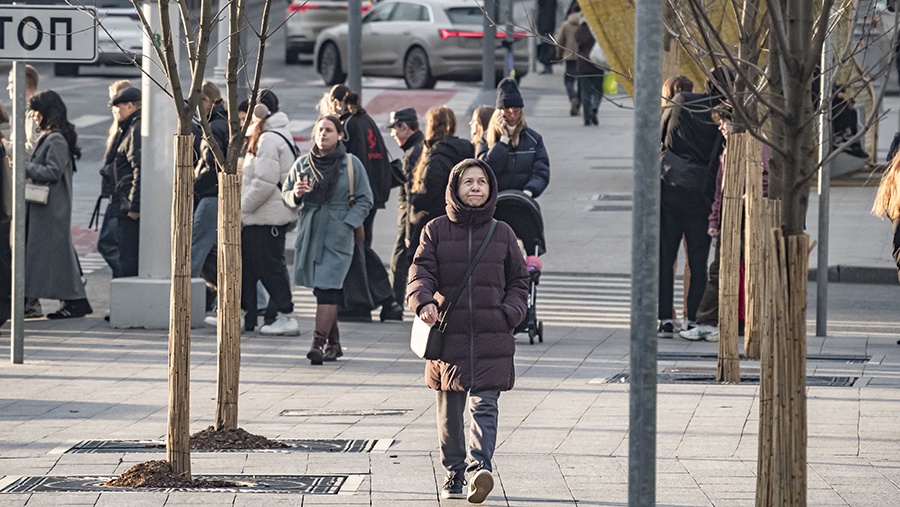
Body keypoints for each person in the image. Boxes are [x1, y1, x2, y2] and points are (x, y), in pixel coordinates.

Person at [407, 158, 528, 503]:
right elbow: (420, 272)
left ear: (490, 189)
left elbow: (520, 280)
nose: (475, 187)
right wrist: (424, 301)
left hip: (493, 333)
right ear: (455, 189)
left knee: (485, 404)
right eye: (468, 182)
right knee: (450, 409)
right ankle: (454, 473)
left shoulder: (503, 232)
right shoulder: (435, 230)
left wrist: (511, 312)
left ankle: (479, 469)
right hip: (449, 334)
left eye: (481, 182)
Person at [282, 116, 373, 363]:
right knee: (321, 290)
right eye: (320, 129)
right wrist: (296, 196)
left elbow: (366, 199)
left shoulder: (352, 164)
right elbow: (286, 194)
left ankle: (317, 343)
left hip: (338, 235)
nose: (323, 134)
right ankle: (335, 344)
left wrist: (348, 223)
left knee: (327, 290)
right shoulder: (303, 164)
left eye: (329, 130)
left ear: (340, 135)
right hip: (311, 232)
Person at [657, 66, 733, 337]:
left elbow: (660, 138)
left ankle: (665, 318)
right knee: (698, 261)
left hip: (669, 188)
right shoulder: (723, 114)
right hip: (702, 193)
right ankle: (693, 318)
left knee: (666, 257)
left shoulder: (681, 101)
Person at [25, 91, 92, 319]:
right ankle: (69, 300)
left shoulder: (55, 139)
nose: (34, 115)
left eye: (37, 111)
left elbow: (53, 171)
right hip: (48, 208)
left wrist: (22, 168)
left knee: (56, 258)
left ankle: (75, 301)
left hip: (51, 209)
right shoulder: (53, 136)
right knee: (52, 257)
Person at [238, 89, 299, 335]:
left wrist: (242, 208)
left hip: (267, 216)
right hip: (262, 216)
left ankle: (287, 315)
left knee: (269, 268)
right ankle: (244, 315)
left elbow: (264, 182)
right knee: (248, 268)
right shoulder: (271, 135)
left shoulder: (268, 140)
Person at [338, 91, 401, 322]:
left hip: (359, 197)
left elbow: (353, 162)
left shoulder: (350, 124)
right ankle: (384, 300)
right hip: (373, 194)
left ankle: (369, 301)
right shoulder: (367, 121)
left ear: (338, 103)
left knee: (357, 248)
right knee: (361, 246)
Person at [407, 106, 474, 253]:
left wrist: (414, 200)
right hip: (459, 219)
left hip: (433, 222)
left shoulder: (436, 155)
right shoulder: (467, 149)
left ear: (431, 126)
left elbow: (430, 190)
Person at [477, 78, 551, 198]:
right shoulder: (487, 138)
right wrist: (503, 142)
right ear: (499, 113)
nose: (512, 115)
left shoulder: (533, 139)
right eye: (507, 111)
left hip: (523, 200)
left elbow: (541, 172)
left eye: (516, 111)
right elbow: (484, 171)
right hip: (495, 202)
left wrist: (529, 192)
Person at [192, 81, 230, 312]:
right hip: (222, 195)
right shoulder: (225, 122)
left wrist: (195, 185)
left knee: (194, 250)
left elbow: (212, 167)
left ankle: (188, 300)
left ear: (206, 101)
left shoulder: (214, 127)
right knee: (218, 255)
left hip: (211, 195)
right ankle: (252, 300)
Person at [387, 107, 425, 312]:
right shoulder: (418, 147)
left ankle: (395, 307)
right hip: (414, 218)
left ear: (405, 127)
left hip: (411, 220)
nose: (392, 133)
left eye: (395, 128)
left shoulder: (413, 153)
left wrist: (408, 230)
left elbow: (411, 194)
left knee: (399, 262)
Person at [104, 87, 142, 279]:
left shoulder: (135, 128)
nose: (115, 112)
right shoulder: (131, 126)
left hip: (129, 207)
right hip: (125, 203)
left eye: (117, 107)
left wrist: (134, 206)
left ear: (129, 106)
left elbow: (139, 169)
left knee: (127, 255)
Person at [574, 19, 605, 126]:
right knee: (598, 90)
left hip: (583, 64)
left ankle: (586, 118)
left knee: (585, 92)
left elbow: (577, 44)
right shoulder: (598, 29)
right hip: (597, 63)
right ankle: (594, 108)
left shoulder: (579, 31)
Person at [555, 4, 582, 116]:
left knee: (569, 81)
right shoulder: (585, 24)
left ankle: (573, 98)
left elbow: (560, 42)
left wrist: (559, 57)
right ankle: (578, 103)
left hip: (570, 57)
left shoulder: (566, 25)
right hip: (582, 58)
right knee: (581, 82)